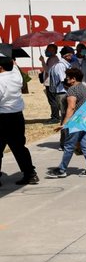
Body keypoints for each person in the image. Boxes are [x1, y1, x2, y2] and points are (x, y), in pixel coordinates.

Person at [48, 68, 86, 178]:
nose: (66, 79)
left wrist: (65, 123)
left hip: (75, 122)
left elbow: (71, 108)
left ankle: (62, 169)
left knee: (68, 146)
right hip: (85, 121)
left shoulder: (72, 90)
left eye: (68, 77)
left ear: (73, 79)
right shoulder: (85, 89)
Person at [0, 55, 38, 185]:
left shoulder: (0, 80)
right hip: (17, 116)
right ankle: (30, 174)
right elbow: (14, 66)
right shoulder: (16, 76)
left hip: (3, 116)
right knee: (19, 147)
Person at [40, 43, 61, 123]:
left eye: (48, 50)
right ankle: (54, 116)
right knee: (52, 100)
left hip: (51, 83)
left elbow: (48, 70)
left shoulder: (53, 59)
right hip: (50, 82)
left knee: (53, 101)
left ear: (53, 51)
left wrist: (42, 61)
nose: (46, 51)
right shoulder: (52, 59)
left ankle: (55, 117)